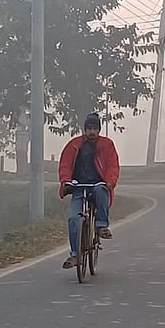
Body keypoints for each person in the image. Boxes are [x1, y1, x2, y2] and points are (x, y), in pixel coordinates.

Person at [58, 112, 120, 270]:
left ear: (99, 130)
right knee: (73, 219)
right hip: (78, 186)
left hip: (99, 184)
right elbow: (65, 165)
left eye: (95, 129)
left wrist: (110, 182)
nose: (92, 132)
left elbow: (113, 165)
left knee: (101, 190)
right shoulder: (74, 145)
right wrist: (66, 182)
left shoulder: (107, 145)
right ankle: (75, 255)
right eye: (89, 128)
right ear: (84, 130)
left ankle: (101, 225)